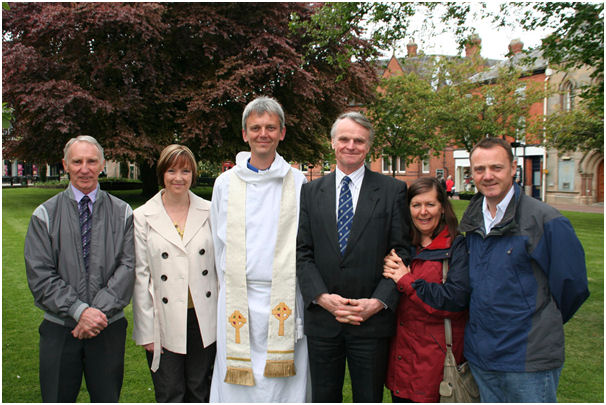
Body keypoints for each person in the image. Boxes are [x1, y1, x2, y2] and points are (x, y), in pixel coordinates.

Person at [457, 137, 588, 402]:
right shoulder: (471, 222)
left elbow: (572, 287)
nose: (488, 176)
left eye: (496, 167)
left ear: (513, 168)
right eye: (480, 169)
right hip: (482, 357)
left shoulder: (546, 220)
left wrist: (539, 322)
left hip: (528, 360)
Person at [297, 111, 411, 402]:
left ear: (368, 146)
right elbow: (302, 251)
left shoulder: (392, 191)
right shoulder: (310, 192)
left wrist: (378, 302)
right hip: (324, 319)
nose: (351, 145)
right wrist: (322, 298)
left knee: (368, 397)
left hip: (370, 320)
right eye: (344, 139)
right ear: (332, 143)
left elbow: (402, 251)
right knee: (324, 396)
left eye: (358, 140)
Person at [209, 97, 309, 402]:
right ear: (244, 134)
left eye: (270, 127)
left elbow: (305, 240)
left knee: (283, 385)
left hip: (285, 296)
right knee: (240, 386)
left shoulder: (299, 181)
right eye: (255, 127)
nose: (262, 134)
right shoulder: (225, 183)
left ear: (282, 132)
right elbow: (218, 242)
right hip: (239, 298)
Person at [24, 135, 135, 402]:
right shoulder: (44, 215)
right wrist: (79, 311)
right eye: (77, 161)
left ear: (102, 164)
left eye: (91, 161)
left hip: (107, 327)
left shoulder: (123, 213)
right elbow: (40, 275)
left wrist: (95, 314)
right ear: (65, 164)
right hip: (60, 328)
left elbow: (129, 266)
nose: (84, 168)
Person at [132, 144, 217, 402]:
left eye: (185, 170)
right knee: (170, 392)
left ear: (194, 174)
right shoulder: (143, 216)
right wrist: (146, 331)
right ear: (162, 173)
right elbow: (140, 276)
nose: (178, 177)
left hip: (204, 318)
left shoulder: (212, 210)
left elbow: (220, 267)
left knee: (199, 389)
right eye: (172, 170)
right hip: (164, 319)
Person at [382, 177, 469, 402]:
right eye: (416, 205)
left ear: (442, 207)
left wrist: (407, 281)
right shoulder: (404, 248)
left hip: (435, 367)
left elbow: (455, 301)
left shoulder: (456, 248)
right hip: (401, 365)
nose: (423, 212)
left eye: (430, 204)